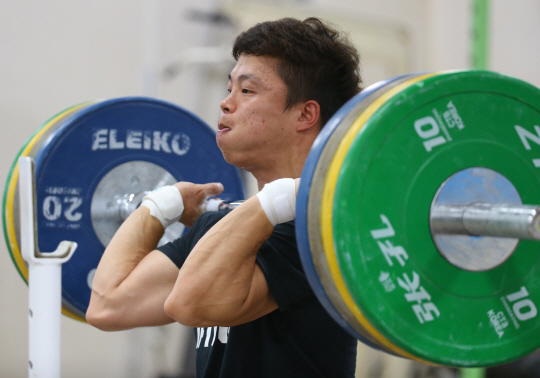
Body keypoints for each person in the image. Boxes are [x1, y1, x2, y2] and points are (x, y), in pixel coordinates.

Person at [87, 17, 363, 377]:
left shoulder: (317, 232)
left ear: (305, 114)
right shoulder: (220, 225)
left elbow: (189, 304)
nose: (226, 103)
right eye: (229, 87)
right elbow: (108, 305)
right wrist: (161, 205)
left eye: (247, 91)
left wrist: (281, 199)